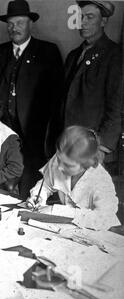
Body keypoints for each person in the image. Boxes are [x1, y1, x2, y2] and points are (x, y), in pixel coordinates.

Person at [0, 0, 64, 198]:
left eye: (20, 22)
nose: (14, 28)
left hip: (34, 133)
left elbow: (57, 97)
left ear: (30, 24)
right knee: (0, 185)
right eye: (10, 24)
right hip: (3, 130)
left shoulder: (48, 52)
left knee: (32, 186)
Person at [59, 1, 122, 172]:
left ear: (103, 22)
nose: (83, 22)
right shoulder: (74, 56)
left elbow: (117, 107)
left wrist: (102, 148)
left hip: (93, 152)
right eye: (80, 17)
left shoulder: (114, 55)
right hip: (69, 148)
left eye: (90, 17)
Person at [27, 126, 119, 231]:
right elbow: (46, 184)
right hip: (64, 229)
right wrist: (38, 197)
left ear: (87, 163)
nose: (60, 167)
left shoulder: (101, 180)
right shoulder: (60, 161)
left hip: (94, 233)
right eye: (58, 159)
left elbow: (105, 218)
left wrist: (58, 211)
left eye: (68, 165)